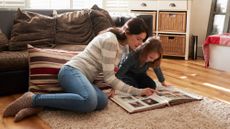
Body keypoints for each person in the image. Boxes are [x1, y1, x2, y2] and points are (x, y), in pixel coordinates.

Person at [3, 17, 155, 122]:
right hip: (71, 71)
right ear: (127, 33)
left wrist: (113, 84)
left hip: (84, 78)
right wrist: (138, 91)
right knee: (89, 102)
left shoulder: (124, 48)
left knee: (101, 101)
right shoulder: (110, 41)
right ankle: (34, 98)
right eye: (138, 39)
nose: (140, 43)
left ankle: (41, 105)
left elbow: (111, 72)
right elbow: (110, 78)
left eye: (143, 40)